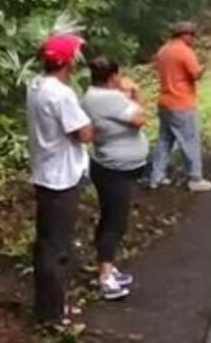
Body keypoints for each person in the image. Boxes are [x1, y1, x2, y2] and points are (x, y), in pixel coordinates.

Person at [26, 33, 93, 326]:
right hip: (62, 179)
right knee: (56, 248)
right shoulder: (62, 95)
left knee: (47, 244)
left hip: (46, 173)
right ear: (69, 62)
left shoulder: (36, 85)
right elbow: (83, 133)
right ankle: (51, 315)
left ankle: (50, 307)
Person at [82, 56, 148, 301]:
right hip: (116, 169)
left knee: (109, 217)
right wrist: (134, 93)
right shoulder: (110, 99)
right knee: (115, 222)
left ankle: (106, 265)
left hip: (108, 164)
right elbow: (140, 119)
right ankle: (105, 276)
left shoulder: (90, 96)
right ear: (113, 77)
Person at [150, 22, 211, 192]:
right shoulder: (185, 51)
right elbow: (195, 74)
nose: (193, 39)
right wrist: (204, 67)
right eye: (192, 35)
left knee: (164, 141)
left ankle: (156, 177)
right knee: (190, 140)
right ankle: (195, 178)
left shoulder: (163, 50)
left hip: (164, 101)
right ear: (185, 35)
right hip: (182, 103)